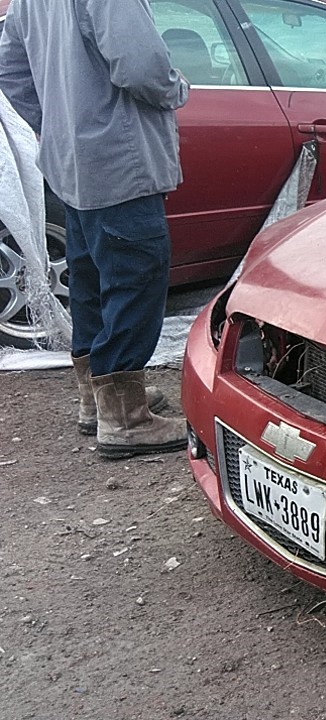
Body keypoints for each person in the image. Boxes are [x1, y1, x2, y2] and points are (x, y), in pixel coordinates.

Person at [0, 0, 189, 459]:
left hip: (72, 163)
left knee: (91, 278)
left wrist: (59, 122)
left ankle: (98, 397)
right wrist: (175, 89)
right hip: (119, 159)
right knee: (134, 275)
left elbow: (9, 67)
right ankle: (124, 419)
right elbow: (143, 66)